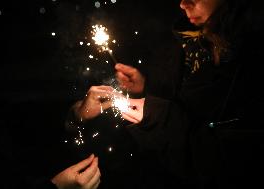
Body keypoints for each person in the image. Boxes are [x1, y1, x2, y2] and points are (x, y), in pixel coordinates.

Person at [67, 0, 264, 188]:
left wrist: (158, 116)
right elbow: (183, 100)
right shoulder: (185, 40)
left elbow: (231, 161)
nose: (183, 3)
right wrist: (145, 88)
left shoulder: (252, 57)